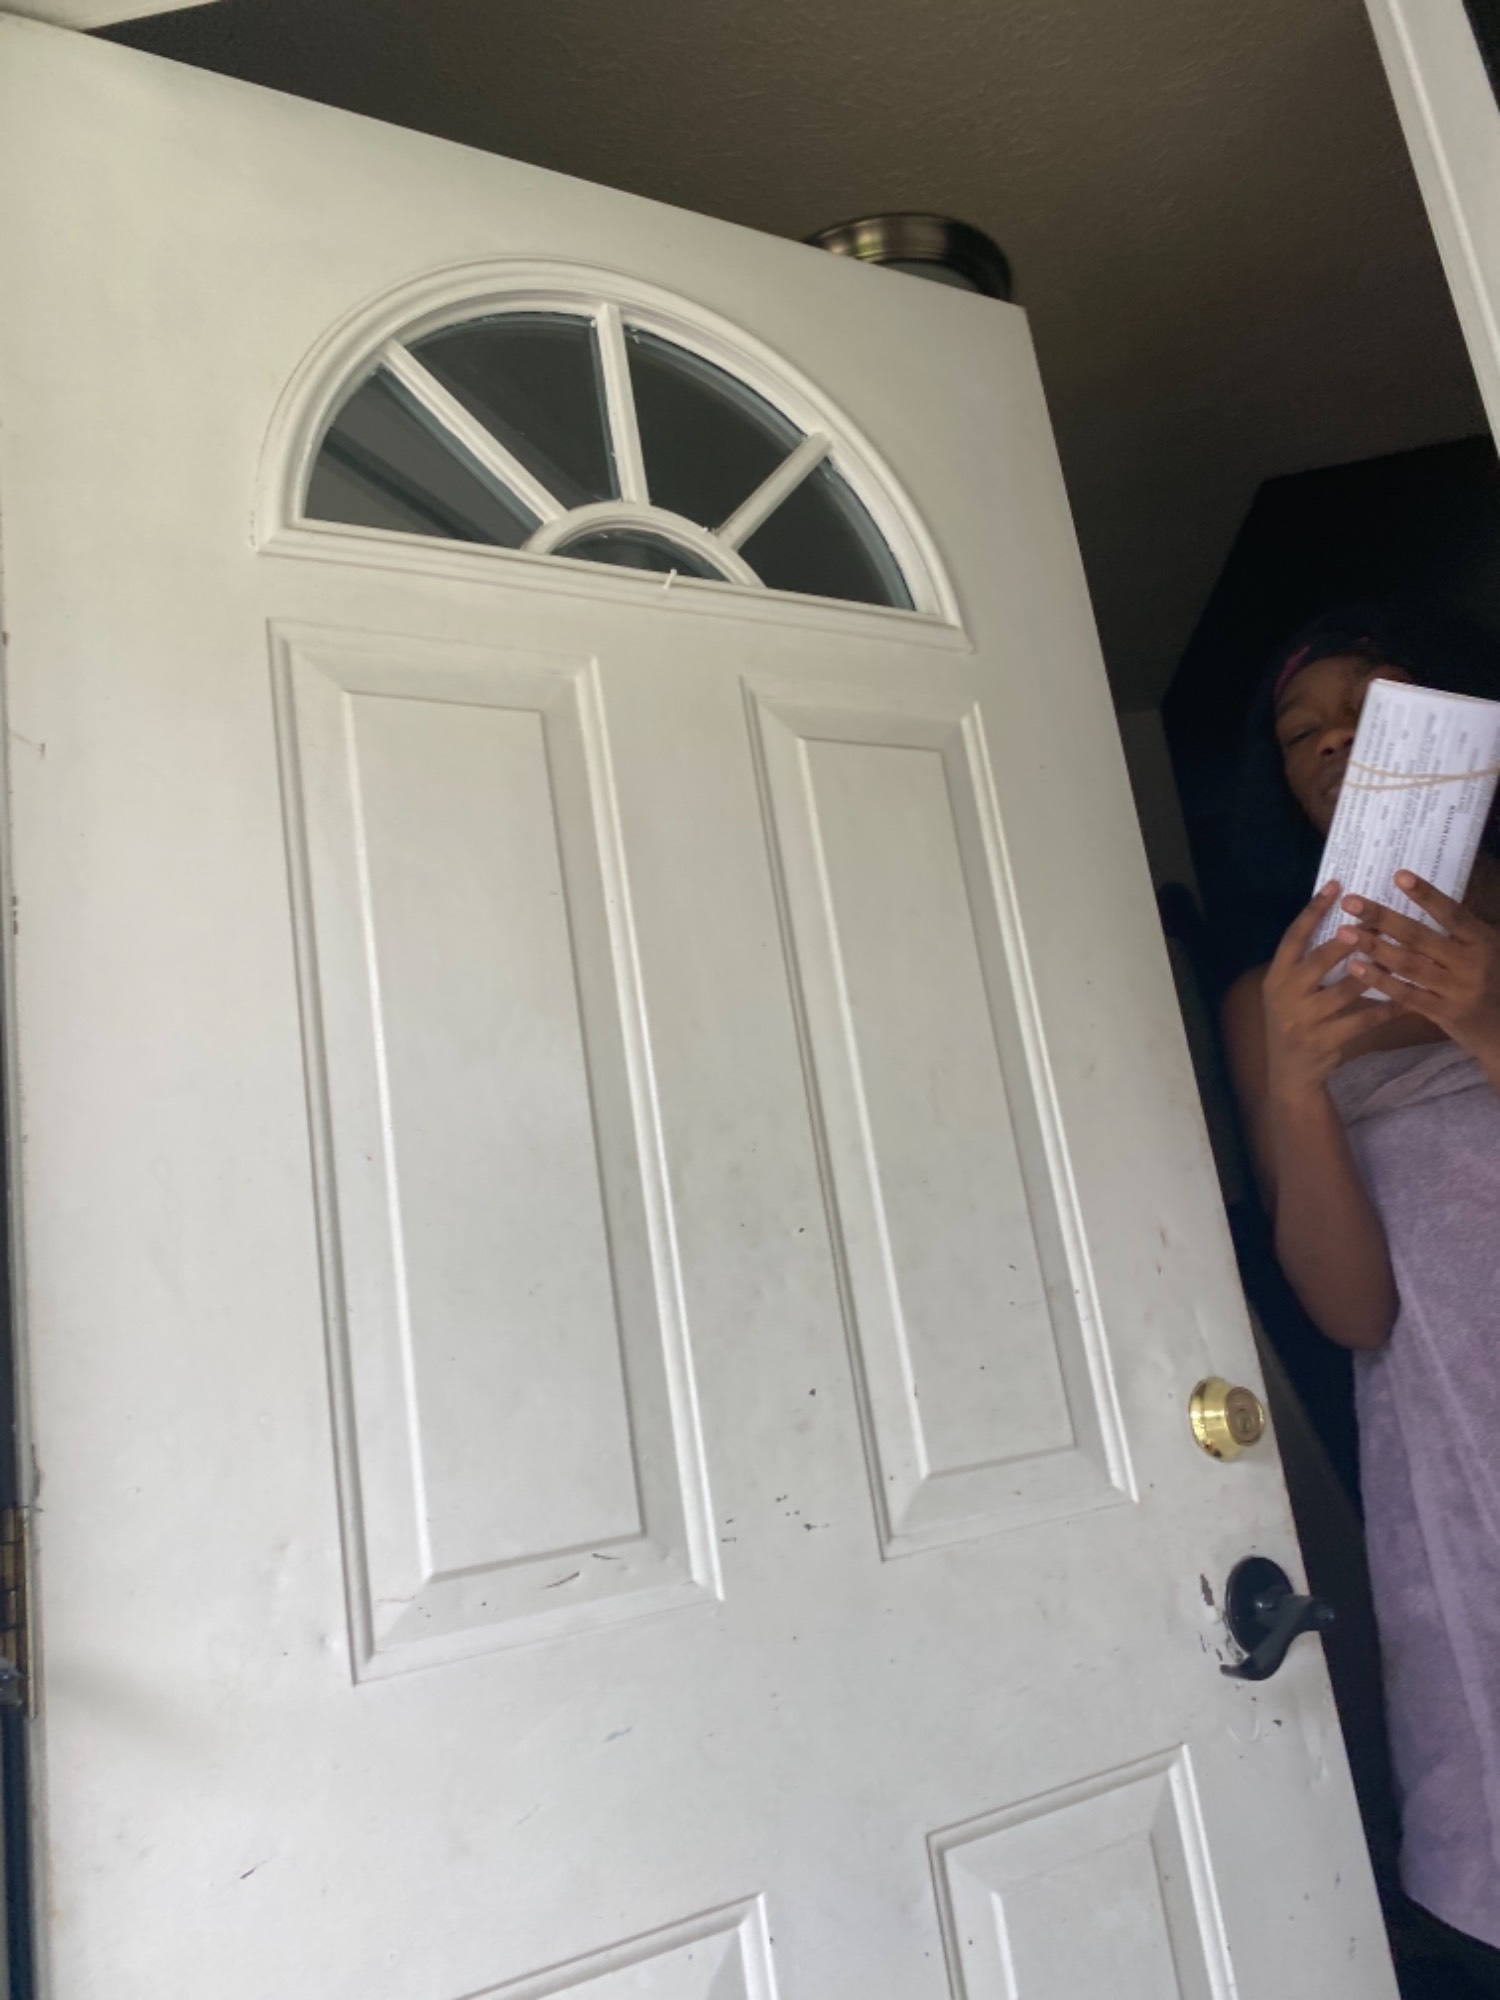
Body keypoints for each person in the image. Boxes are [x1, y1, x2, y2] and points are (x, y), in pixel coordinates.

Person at [1221, 602, 1500, 1989]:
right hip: (1456, 1443)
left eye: (1368, 709)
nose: (1333, 742)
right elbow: (1353, 1316)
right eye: (1299, 733)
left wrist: (1486, 1016)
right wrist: (1292, 1078)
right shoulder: (1266, 999)